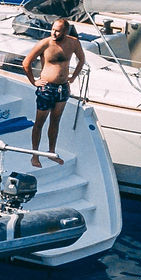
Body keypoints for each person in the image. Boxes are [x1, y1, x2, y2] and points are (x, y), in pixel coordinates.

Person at [22, 16, 86, 167]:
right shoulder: (45, 43)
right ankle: (35, 155)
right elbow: (26, 63)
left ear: (65, 31)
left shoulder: (73, 42)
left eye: (58, 31)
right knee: (40, 122)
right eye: (53, 30)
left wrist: (73, 77)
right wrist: (34, 82)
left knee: (55, 121)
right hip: (47, 88)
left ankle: (51, 152)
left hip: (62, 88)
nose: (54, 33)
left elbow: (81, 59)